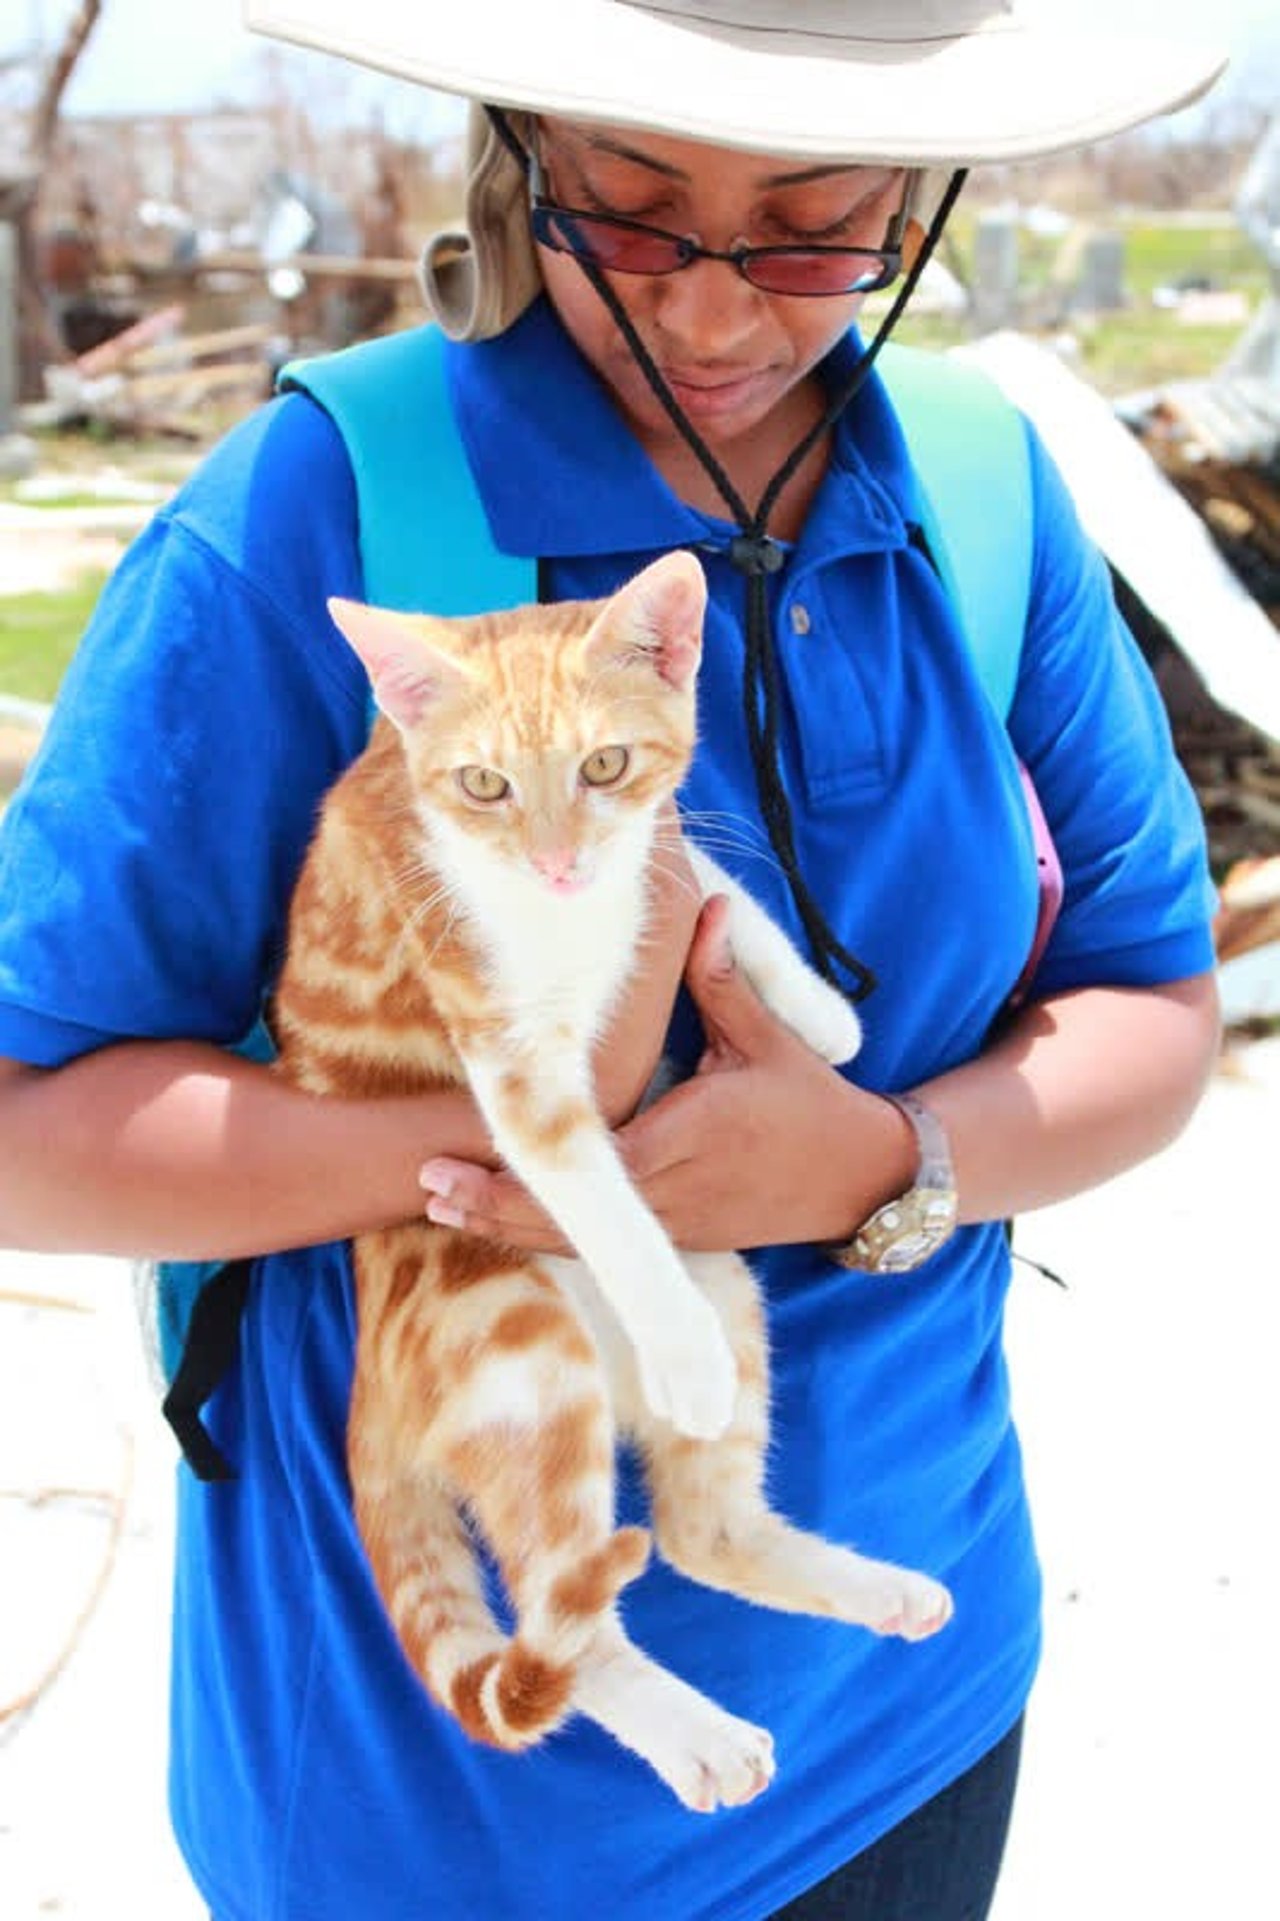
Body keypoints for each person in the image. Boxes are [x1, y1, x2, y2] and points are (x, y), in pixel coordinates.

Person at [0, 4, 1227, 1917]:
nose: (719, 322)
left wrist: (878, 1162)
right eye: (634, 214)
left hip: (911, 1695)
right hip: (452, 1812)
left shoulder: (980, 493)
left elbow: (1155, 1007)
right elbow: (30, 1127)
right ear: (525, 149)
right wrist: (535, 1149)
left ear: (918, 198)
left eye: (816, 230)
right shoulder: (317, 517)